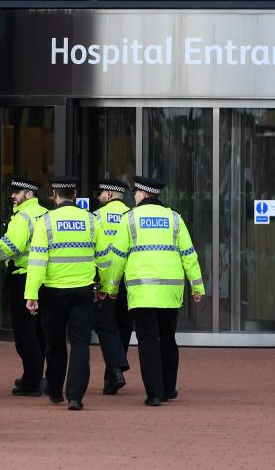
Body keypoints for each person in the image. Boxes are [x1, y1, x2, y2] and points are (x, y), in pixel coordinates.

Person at [107, 177, 205, 406]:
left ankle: (154, 394)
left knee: (148, 340)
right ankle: (169, 389)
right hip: (170, 292)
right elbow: (189, 255)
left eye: (136, 193)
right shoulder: (175, 218)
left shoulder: (129, 219)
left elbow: (117, 257)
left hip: (142, 292)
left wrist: (111, 288)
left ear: (141, 194)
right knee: (168, 339)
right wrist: (197, 286)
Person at [24, 176, 111, 411]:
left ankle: (54, 390)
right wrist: (105, 287)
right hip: (83, 291)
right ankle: (75, 396)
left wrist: (31, 293)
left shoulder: (47, 221)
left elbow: (37, 260)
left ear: (54, 195)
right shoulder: (91, 220)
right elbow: (104, 258)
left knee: (54, 343)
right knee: (81, 343)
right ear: (74, 193)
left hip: (53, 292)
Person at [0, 176, 48, 397]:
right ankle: (38, 376)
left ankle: (31, 381)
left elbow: (10, 247)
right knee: (41, 332)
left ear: (29, 194)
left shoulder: (23, 217)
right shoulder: (45, 214)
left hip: (23, 277)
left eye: (18, 191)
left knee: (25, 334)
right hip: (43, 278)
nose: (12, 195)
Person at [92, 179, 131, 396]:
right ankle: (111, 376)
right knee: (123, 326)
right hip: (129, 279)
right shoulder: (131, 216)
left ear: (108, 194)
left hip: (106, 281)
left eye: (100, 193)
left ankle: (116, 370)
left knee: (105, 325)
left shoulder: (96, 217)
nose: (98, 197)